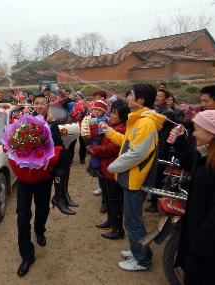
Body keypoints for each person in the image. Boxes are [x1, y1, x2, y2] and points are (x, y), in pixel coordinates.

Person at [102, 83, 165, 271]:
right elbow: (127, 143)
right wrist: (109, 131)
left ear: (141, 100)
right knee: (132, 219)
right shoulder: (137, 120)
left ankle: (142, 260)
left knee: (133, 220)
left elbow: (137, 153)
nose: (127, 98)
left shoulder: (145, 123)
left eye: (130, 95)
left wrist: (114, 166)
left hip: (135, 179)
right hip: (131, 177)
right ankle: (138, 250)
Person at [171, 110, 215, 284]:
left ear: (212, 133)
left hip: (210, 246)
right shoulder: (205, 153)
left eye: (197, 129)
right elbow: (189, 164)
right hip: (197, 233)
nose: (194, 133)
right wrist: (181, 140)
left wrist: (200, 247)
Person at [15, 94, 70, 277]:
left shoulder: (52, 126)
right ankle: (26, 255)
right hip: (24, 179)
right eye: (36, 103)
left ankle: (40, 230)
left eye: (42, 104)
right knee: (22, 215)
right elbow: (13, 145)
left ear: (48, 106)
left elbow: (59, 150)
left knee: (42, 209)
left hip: (43, 178)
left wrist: (49, 159)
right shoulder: (23, 124)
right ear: (32, 105)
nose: (39, 107)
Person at [88, 100, 129, 240]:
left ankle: (118, 229)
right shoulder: (112, 126)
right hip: (105, 168)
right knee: (107, 197)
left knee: (114, 199)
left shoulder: (121, 129)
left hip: (113, 170)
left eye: (114, 113)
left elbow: (111, 149)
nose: (110, 115)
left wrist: (93, 149)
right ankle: (111, 221)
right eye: (111, 112)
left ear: (122, 116)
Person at [145, 89, 176, 213]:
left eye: (160, 96)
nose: (157, 98)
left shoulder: (168, 113)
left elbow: (159, 125)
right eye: (156, 96)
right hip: (152, 145)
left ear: (166, 99)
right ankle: (152, 196)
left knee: (157, 175)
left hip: (161, 147)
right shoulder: (154, 110)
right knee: (151, 172)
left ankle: (155, 202)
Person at [81, 99, 109, 177]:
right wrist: (86, 134)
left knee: (101, 153)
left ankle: (91, 166)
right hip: (94, 139)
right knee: (95, 153)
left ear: (103, 112)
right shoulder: (89, 117)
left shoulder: (106, 119)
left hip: (104, 138)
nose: (96, 111)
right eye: (95, 109)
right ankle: (94, 168)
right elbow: (84, 125)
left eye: (99, 110)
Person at [68, 91, 88, 165]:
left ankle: (82, 158)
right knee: (72, 143)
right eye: (76, 96)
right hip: (74, 125)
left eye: (78, 96)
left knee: (83, 143)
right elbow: (71, 114)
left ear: (82, 97)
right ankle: (70, 159)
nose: (77, 97)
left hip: (83, 125)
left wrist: (83, 111)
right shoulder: (72, 104)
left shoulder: (85, 104)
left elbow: (87, 114)